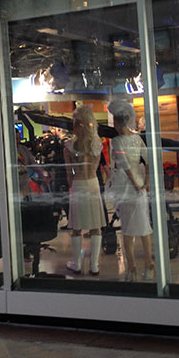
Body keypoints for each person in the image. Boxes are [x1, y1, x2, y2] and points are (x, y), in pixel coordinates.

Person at [107, 100, 155, 282]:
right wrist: (146, 182)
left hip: (128, 185)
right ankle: (148, 265)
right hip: (139, 183)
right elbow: (148, 159)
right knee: (143, 226)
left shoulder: (117, 141)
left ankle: (133, 267)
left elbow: (125, 166)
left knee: (128, 229)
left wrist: (137, 183)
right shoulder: (137, 138)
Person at [63, 105, 104, 275]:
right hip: (92, 183)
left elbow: (69, 173)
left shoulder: (69, 145)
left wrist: (72, 183)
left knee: (76, 227)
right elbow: (97, 167)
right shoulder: (97, 144)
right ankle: (94, 265)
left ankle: (77, 263)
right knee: (96, 226)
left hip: (78, 184)